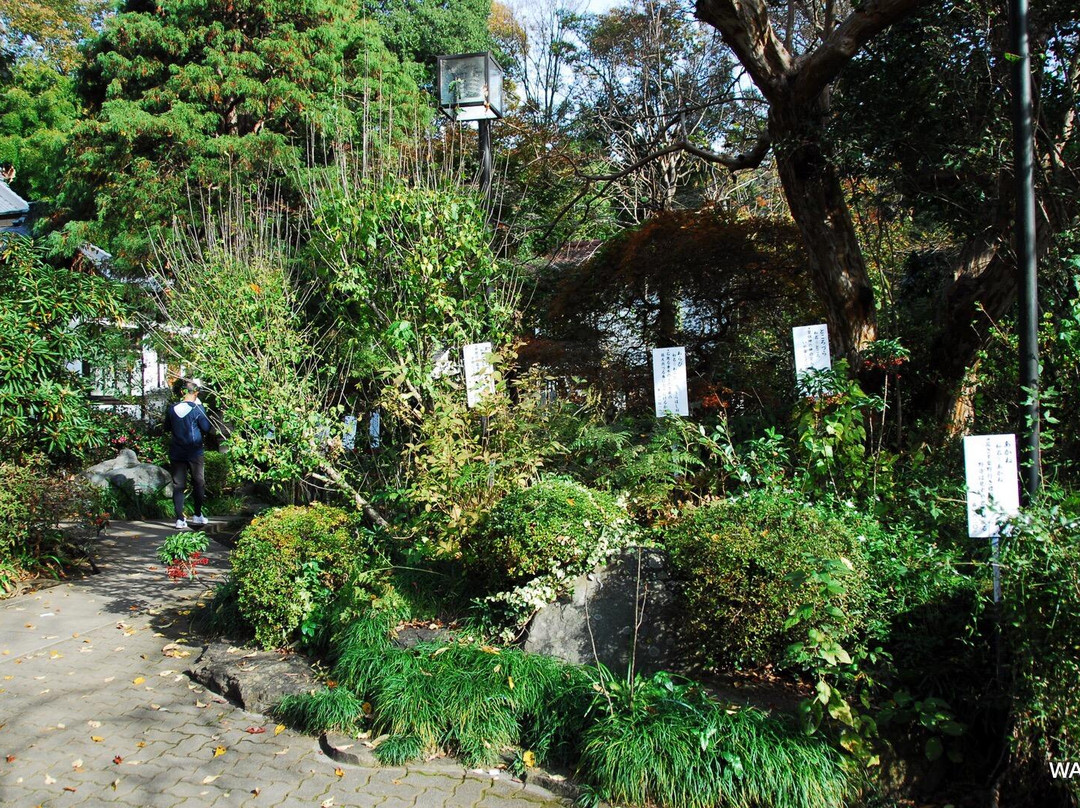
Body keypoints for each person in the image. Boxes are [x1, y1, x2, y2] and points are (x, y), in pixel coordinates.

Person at [165, 379, 213, 529]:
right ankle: (197, 515)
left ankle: (180, 519)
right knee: (198, 482)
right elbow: (206, 428)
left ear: (181, 392)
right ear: (196, 393)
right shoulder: (198, 409)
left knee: (178, 485)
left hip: (177, 451)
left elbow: (166, 427)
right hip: (194, 452)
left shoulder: (172, 409)